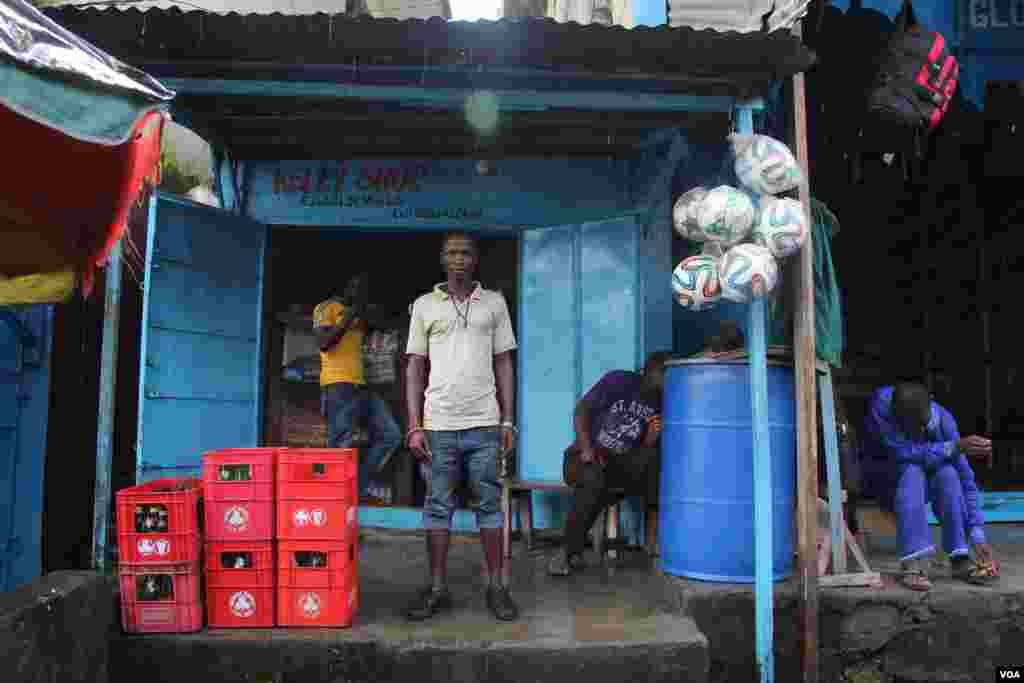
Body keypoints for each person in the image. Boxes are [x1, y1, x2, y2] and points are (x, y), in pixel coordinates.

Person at [404, 232, 519, 622]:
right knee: (438, 507)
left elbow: (504, 362)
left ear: (475, 259)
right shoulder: (424, 306)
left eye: (465, 252)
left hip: (485, 423)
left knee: (490, 506)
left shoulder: (494, 303)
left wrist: (507, 419)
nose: (459, 258)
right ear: (442, 258)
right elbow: (415, 365)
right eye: (451, 252)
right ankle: (437, 589)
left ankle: (497, 587)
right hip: (438, 425)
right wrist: (414, 425)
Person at [548, 351, 673, 577]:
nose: (669, 382)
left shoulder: (663, 402)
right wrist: (587, 449)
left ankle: (653, 548)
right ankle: (567, 551)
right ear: (653, 371)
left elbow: (641, 451)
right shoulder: (619, 381)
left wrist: (650, 440)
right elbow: (581, 410)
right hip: (582, 458)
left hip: (619, 465)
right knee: (594, 478)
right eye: (667, 375)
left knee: (654, 462)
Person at [862, 382, 997, 591]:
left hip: (926, 474)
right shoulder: (881, 406)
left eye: (921, 425)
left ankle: (959, 555)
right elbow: (902, 453)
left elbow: (965, 477)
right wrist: (952, 447)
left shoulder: (943, 421)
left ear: (931, 402)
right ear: (896, 415)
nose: (916, 430)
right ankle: (913, 562)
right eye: (909, 425)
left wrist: (977, 533)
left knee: (949, 474)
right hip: (889, 478)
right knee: (912, 472)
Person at [313, 273, 403, 500]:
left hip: (361, 385)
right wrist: (350, 314)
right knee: (341, 444)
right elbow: (324, 343)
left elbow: (384, 325)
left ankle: (357, 487)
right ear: (345, 287)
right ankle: (333, 499)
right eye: (357, 288)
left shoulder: (361, 314)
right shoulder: (327, 308)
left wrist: (366, 313)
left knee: (391, 435)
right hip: (338, 385)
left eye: (365, 289)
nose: (361, 293)